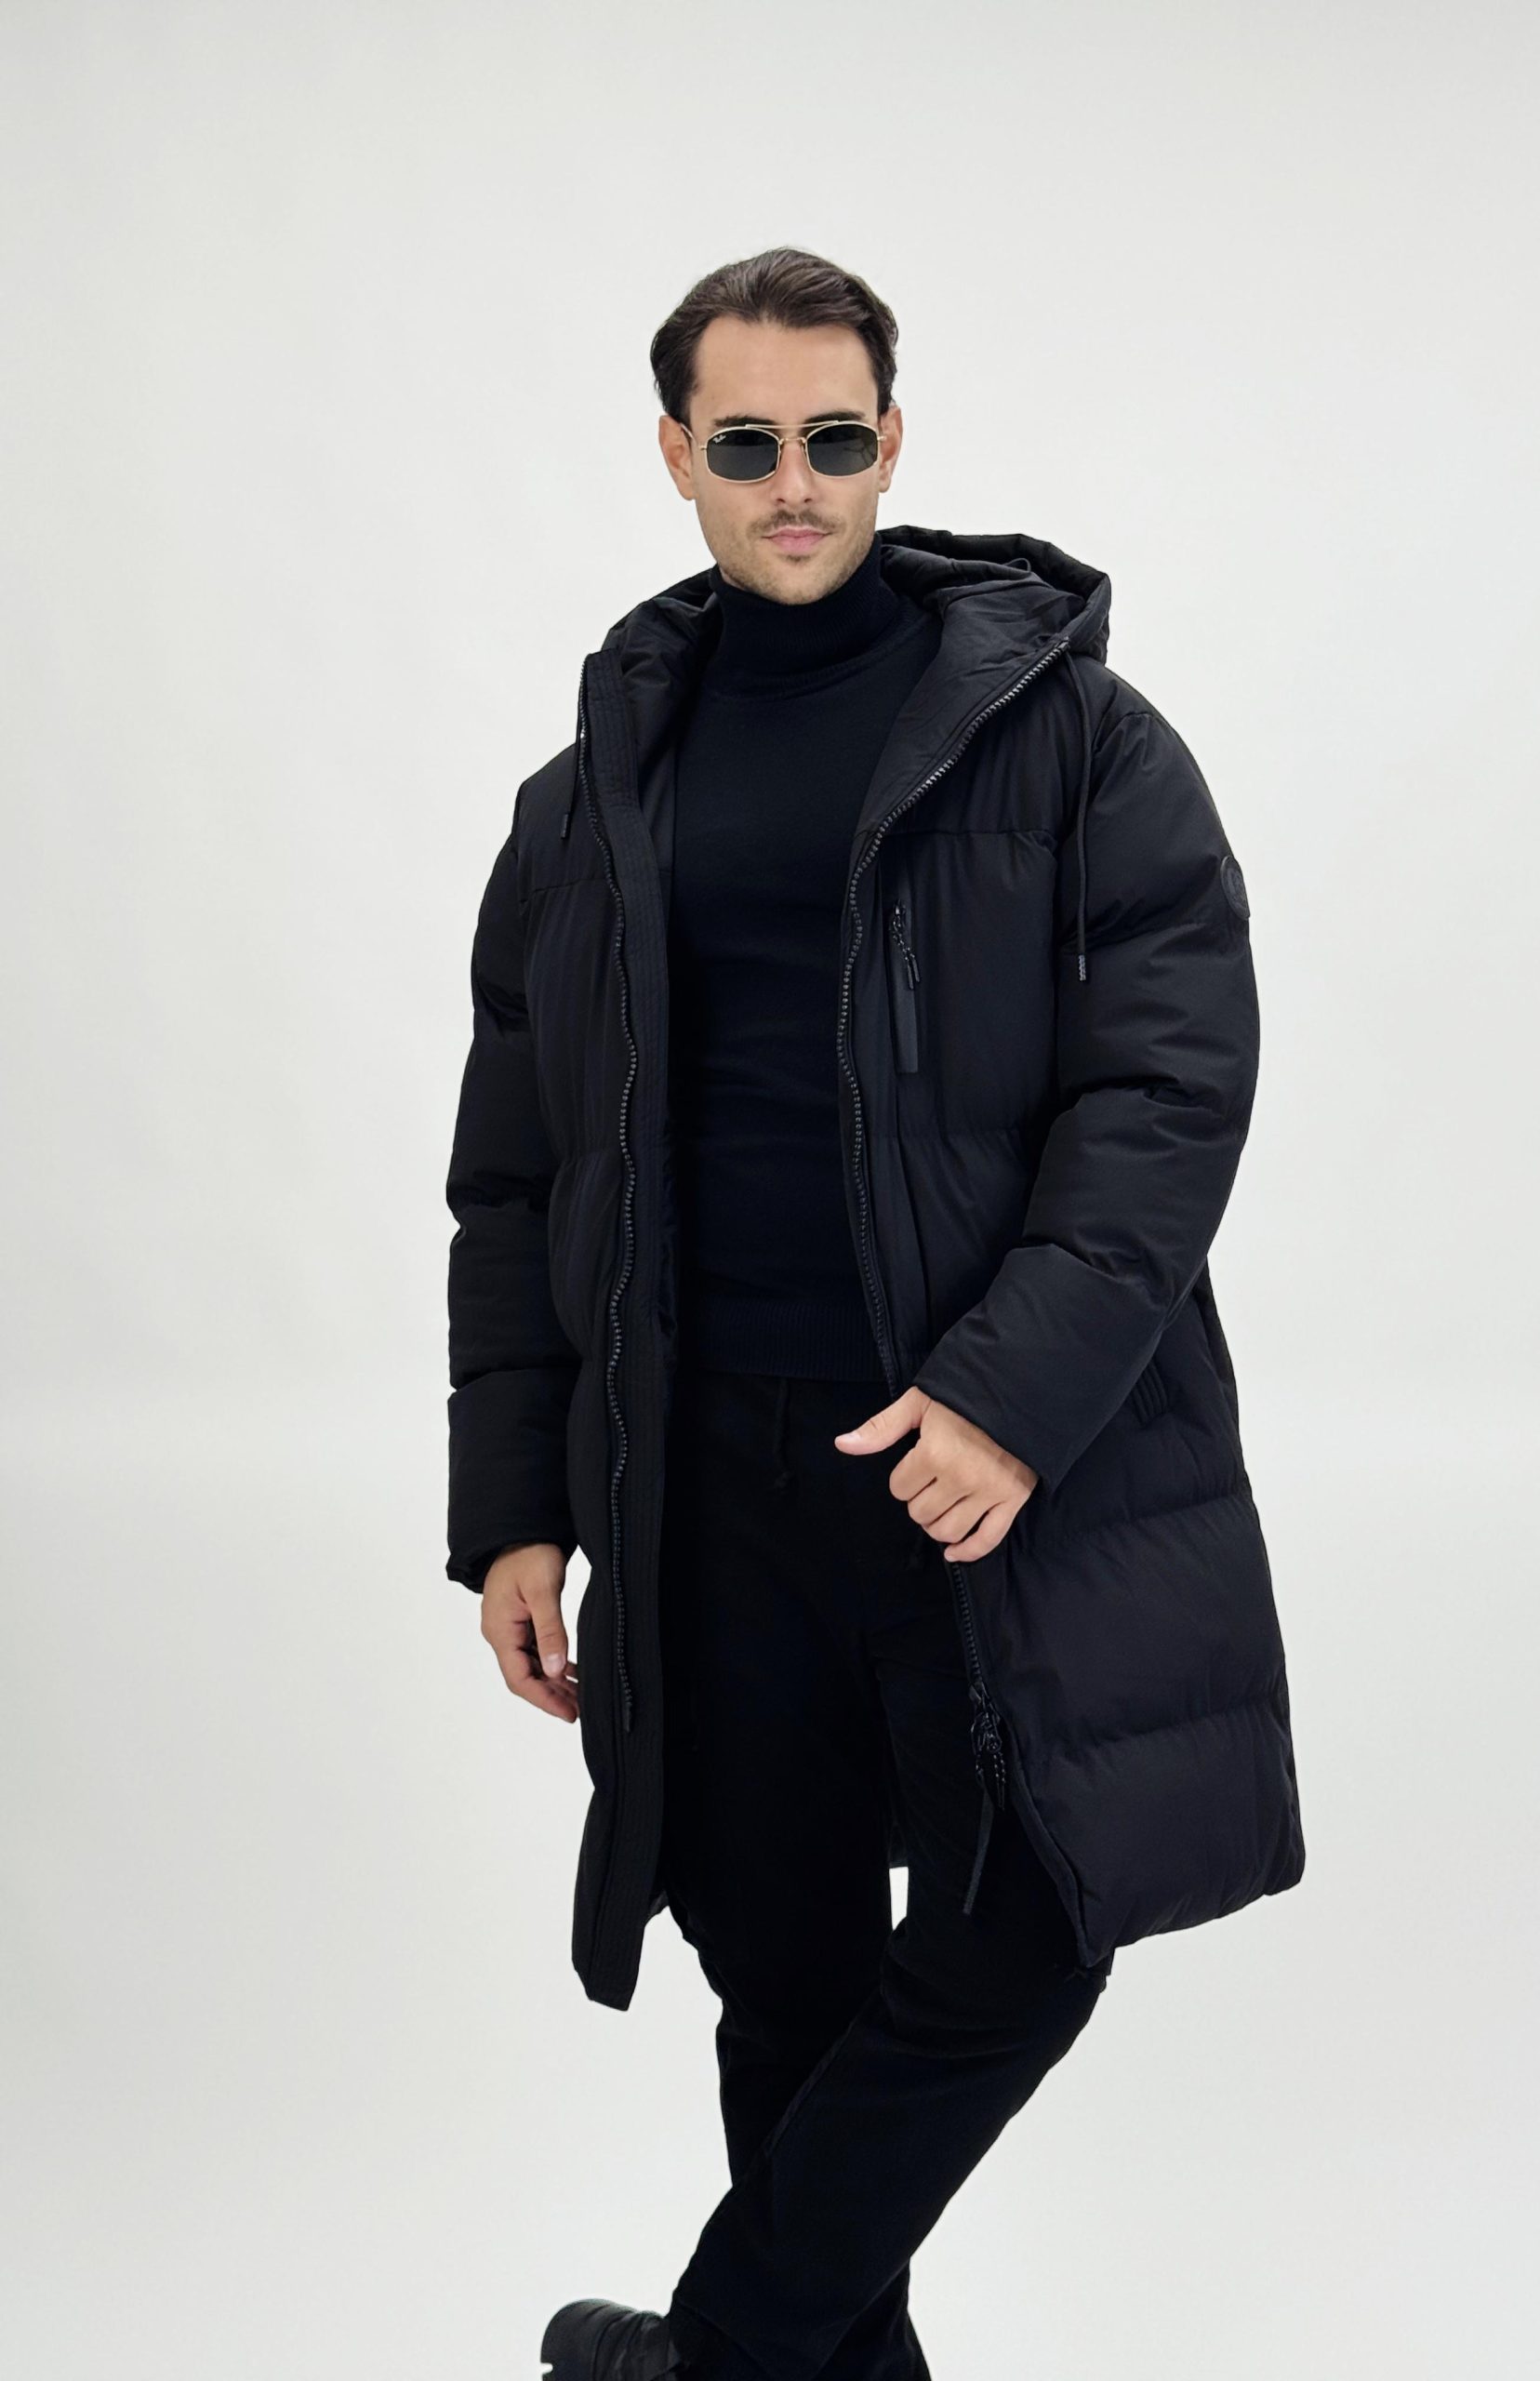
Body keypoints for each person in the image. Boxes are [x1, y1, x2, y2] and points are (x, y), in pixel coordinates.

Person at [443, 246, 1306, 2381]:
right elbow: (517, 1177)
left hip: (974, 1466)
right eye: (746, 443)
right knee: (786, 1967)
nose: (795, 481)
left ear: (893, 439)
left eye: (835, 437)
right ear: (678, 455)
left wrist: (1007, 1396)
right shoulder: (588, 797)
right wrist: (517, 1504)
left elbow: (1168, 1090)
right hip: (703, 1474)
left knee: (1027, 1927)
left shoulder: (1074, 743)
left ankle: (717, 2351)